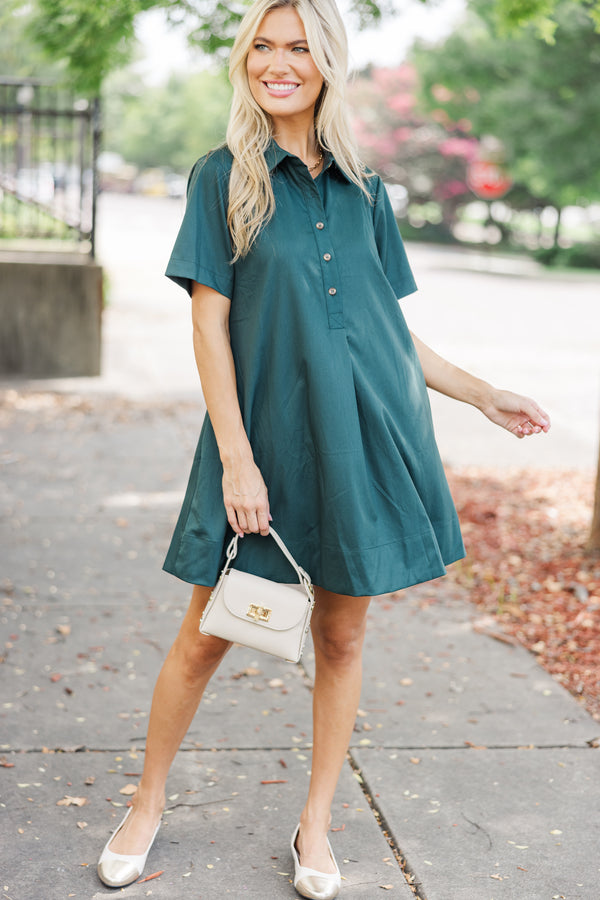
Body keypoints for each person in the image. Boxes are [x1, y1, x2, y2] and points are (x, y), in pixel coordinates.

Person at [96, 0, 550, 896]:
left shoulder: (368, 187)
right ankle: (145, 805)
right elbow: (209, 326)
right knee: (205, 637)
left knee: (341, 638)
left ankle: (316, 826)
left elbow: (388, 335)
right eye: (262, 47)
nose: (278, 62)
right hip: (261, 443)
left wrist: (485, 394)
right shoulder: (219, 177)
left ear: (327, 63)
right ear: (245, 63)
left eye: (298, 47)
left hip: (364, 442)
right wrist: (236, 456)